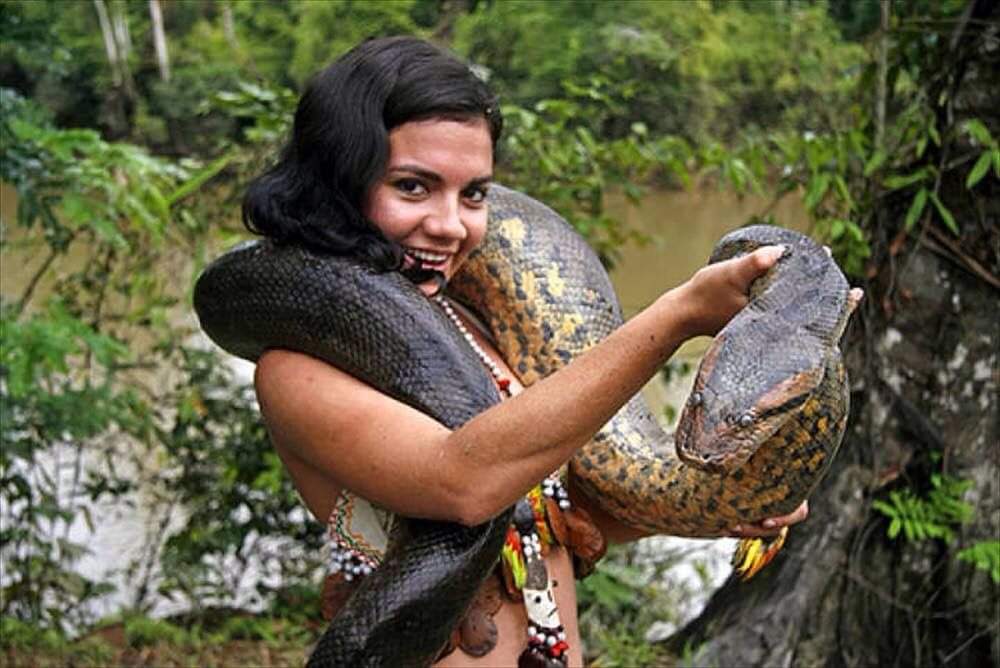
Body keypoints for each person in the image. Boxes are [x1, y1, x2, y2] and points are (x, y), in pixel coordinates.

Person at [245, 36, 808, 667]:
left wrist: (712, 507)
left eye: (474, 194)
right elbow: (465, 482)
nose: (450, 224)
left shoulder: (470, 326)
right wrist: (677, 316)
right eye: (412, 187)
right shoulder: (297, 369)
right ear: (337, 185)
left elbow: (558, 509)